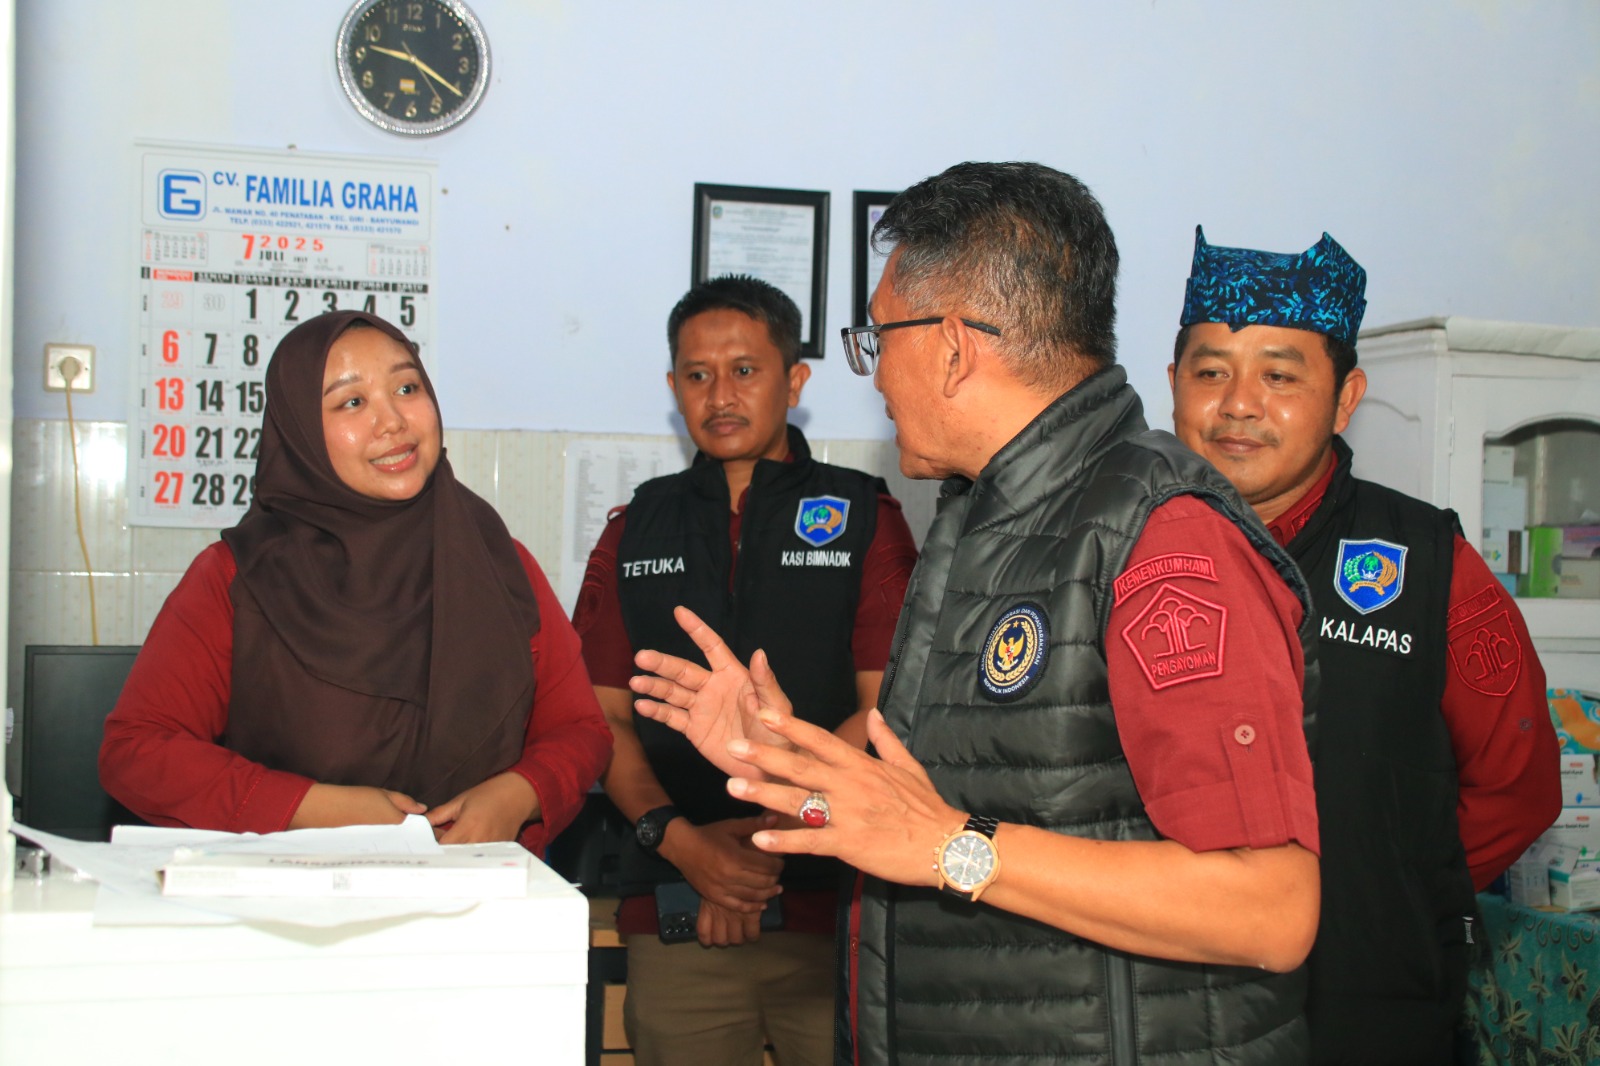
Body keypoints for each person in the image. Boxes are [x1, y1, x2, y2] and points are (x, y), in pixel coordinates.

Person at [627, 163, 1324, 1065]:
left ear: (953, 345)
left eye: (878, 341)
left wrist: (952, 847)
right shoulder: (980, 523)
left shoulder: (1164, 538)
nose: (876, 378)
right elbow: (930, 807)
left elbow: (1269, 909)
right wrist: (783, 760)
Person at [1167, 227, 1561, 1065]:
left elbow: (1518, 785)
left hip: (1365, 1012)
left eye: (1280, 376)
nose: (1239, 405)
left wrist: (1396, 893)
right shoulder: (1123, 551)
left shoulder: (1428, 563)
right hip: (1167, 1006)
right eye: (1211, 372)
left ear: (1346, 399)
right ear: (1173, 386)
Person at [100, 310, 612, 856]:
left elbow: (580, 730)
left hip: (473, 893)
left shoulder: (500, 564)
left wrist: (519, 794)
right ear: (300, 433)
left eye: (407, 388)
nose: (392, 421)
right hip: (288, 896)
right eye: (351, 402)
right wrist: (314, 809)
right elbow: (137, 751)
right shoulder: (236, 578)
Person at [571, 274, 917, 1066]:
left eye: (745, 370)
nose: (720, 394)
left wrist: (767, 842)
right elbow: (600, 718)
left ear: (795, 381)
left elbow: (886, 708)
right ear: (673, 389)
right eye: (698, 375)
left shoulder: (864, 515)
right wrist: (688, 848)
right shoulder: (635, 527)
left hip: (834, 913)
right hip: (675, 908)